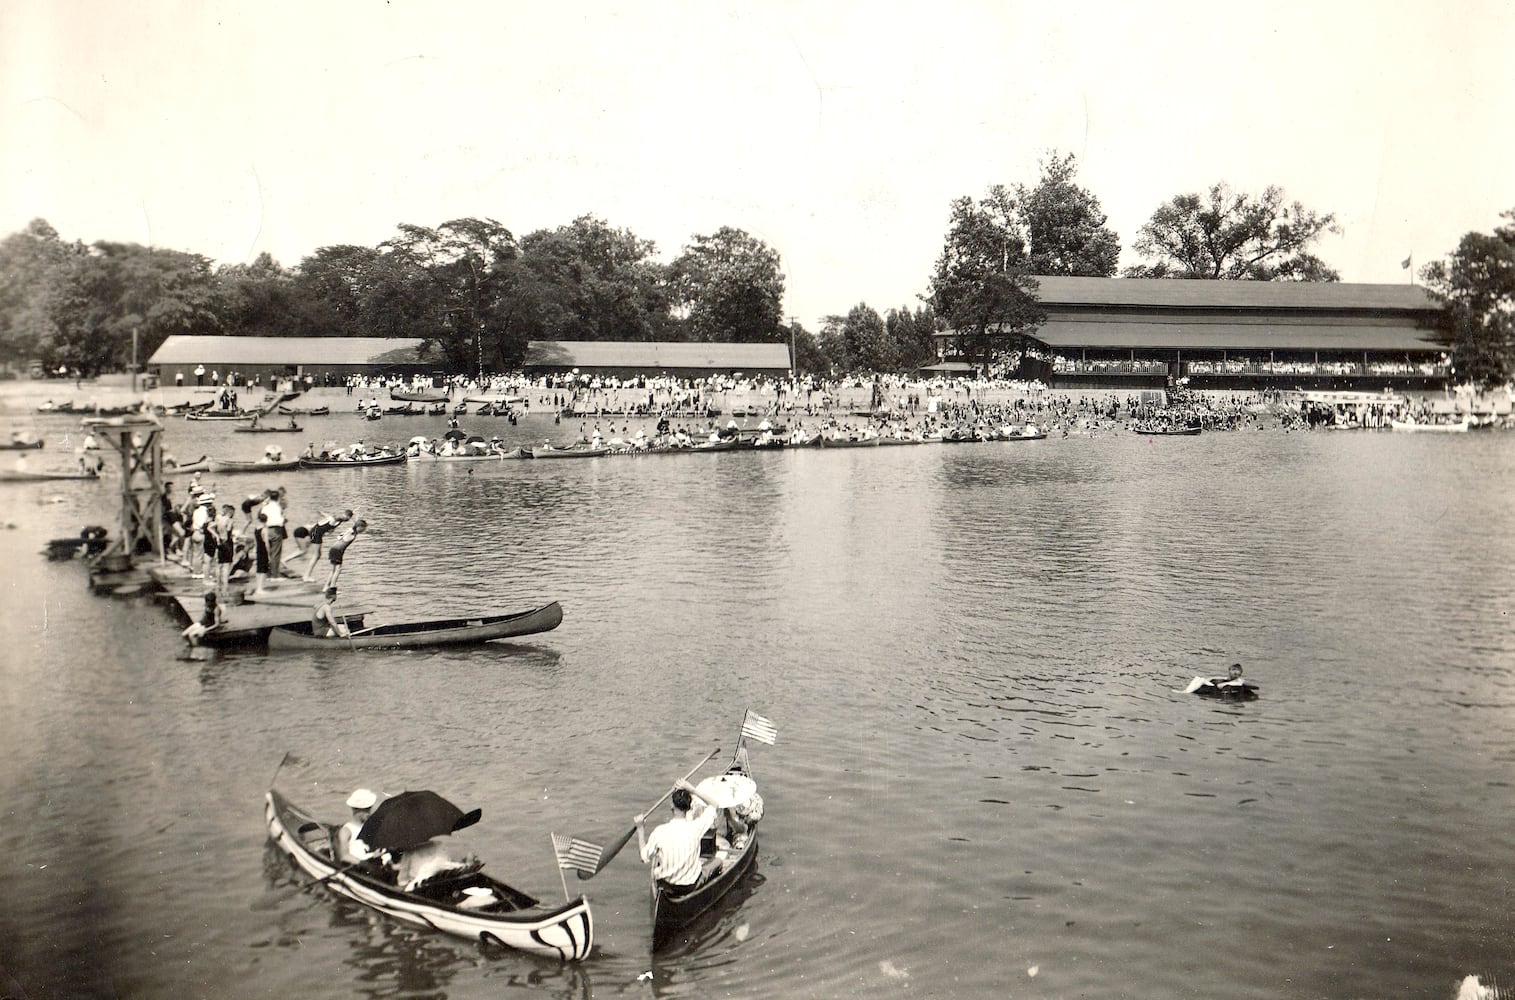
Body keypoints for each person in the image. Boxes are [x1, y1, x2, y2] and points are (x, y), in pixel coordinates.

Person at [635, 779, 717, 890]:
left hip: (666, 886)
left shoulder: (659, 832)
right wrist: (691, 789)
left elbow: (644, 857)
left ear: (671, 806)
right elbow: (714, 805)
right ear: (689, 807)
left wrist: (640, 829)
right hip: (690, 886)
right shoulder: (696, 827)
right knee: (718, 861)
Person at [394, 837, 477, 891]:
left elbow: (402, 880)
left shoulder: (409, 852)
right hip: (442, 883)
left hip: (421, 887)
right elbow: (446, 864)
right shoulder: (439, 845)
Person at [335, 788, 378, 864]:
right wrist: (364, 864)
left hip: (372, 862)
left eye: (369, 809)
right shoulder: (346, 831)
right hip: (359, 867)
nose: (369, 813)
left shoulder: (371, 826)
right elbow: (344, 856)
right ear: (356, 810)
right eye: (366, 809)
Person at [325, 519, 366, 590]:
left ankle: (326, 587)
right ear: (359, 527)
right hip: (338, 551)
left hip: (333, 549)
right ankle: (332, 587)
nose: (364, 530)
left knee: (333, 570)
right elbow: (352, 532)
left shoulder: (349, 530)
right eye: (363, 528)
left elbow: (338, 537)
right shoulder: (352, 532)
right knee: (338, 570)